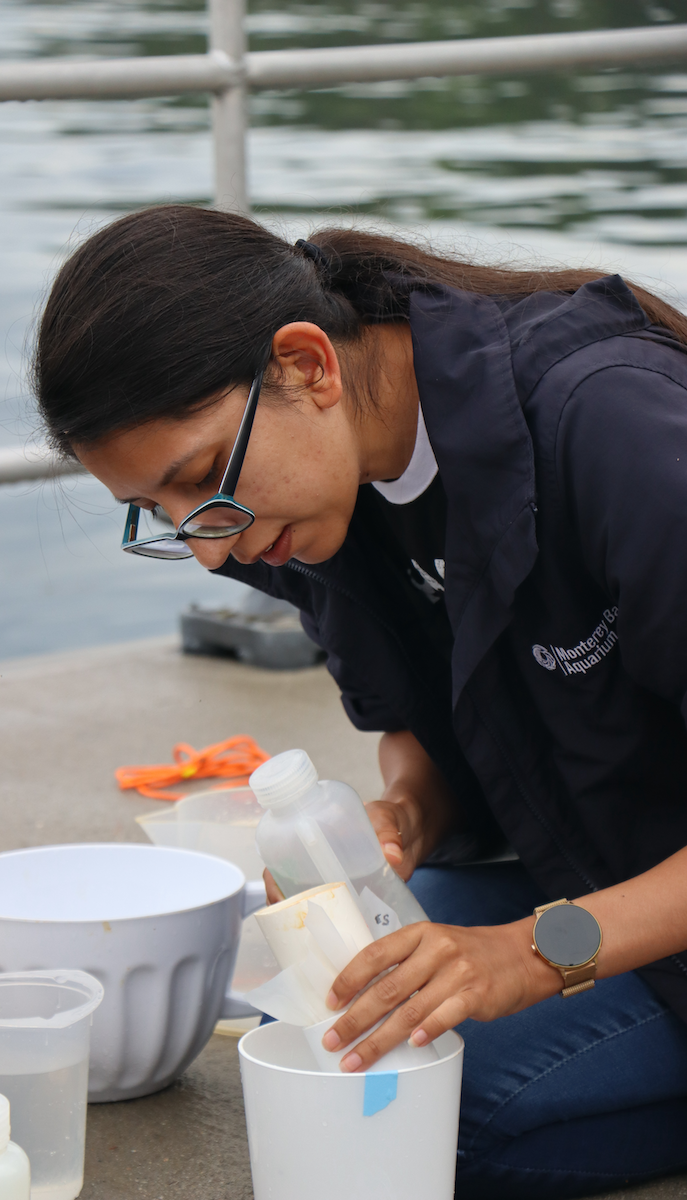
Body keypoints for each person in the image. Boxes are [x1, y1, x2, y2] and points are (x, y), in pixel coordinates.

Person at [34, 204, 687, 1198]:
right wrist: (398, 818)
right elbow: (416, 727)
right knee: (319, 1010)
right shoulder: (305, 500)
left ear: (305, 366)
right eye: (160, 516)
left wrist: (528, 954)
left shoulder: (609, 426)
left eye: (202, 480)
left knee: (436, 1117)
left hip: (633, 898)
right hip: (589, 862)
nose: (209, 547)